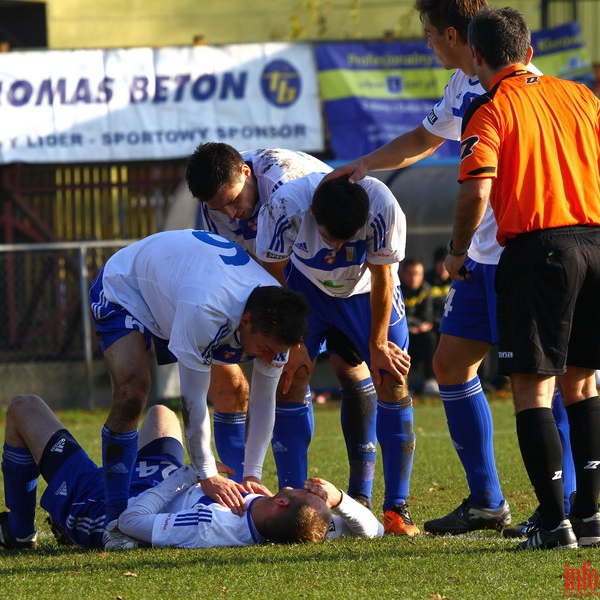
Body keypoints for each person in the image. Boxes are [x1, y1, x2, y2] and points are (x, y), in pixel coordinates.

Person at [323, 0, 577, 538]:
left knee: (540, 379)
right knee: (451, 363)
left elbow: (487, 179)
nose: (428, 44)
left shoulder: (514, 87)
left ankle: (567, 502)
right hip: (481, 258)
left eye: (431, 34)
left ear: (457, 36)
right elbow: (425, 137)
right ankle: (487, 500)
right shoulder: (464, 85)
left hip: (521, 251)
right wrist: (367, 163)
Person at [447, 6, 600, 549]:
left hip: (537, 252)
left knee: (534, 390)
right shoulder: (581, 95)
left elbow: (476, 189)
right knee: (581, 386)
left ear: (478, 57)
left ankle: (554, 523)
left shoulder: (490, 109)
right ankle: (591, 517)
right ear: (530, 52)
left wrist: (457, 250)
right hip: (596, 245)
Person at [89, 229, 308, 525]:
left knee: (234, 388)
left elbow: (265, 399)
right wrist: (206, 474)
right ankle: (114, 517)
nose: (271, 359)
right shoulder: (206, 311)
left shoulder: (275, 315)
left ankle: (235, 489)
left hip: (181, 287)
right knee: (133, 391)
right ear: (245, 322)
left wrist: (252, 473)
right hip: (129, 287)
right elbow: (192, 400)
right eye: (267, 350)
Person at [0, 394, 383, 550]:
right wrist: (340, 499)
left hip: (114, 504)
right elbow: (373, 532)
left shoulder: (212, 525)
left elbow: (131, 522)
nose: (294, 484)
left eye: (299, 491)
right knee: (161, 413)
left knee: (24, 408)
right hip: (161, 483)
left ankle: (19, 532)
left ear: (280, 502)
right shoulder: (299, 522)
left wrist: (191, 474)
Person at [255, 173, 419, 536]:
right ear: (312, 213)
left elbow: (383, 274)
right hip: (303, 292)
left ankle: (396, 508)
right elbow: (271, 273)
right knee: (289, 378)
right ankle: (297, 500)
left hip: (365, 292)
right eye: (331, 237)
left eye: (349, 238)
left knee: (392, 377)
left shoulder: (384, 207)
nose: (337, 246)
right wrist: (293, 342)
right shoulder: (283, 207)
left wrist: (378, 345)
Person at [185, 143, 331, 483]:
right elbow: (230, 266)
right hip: (263, 283)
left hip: (319, 275)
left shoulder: (285, 183)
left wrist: (290, 335)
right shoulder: (217, 207)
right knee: (229, 384)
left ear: (246, 173)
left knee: (297, 376)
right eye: (222, 207)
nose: (232, 213)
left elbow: (301, 262)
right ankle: (243, 492)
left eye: (235, 201)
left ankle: (301, 489)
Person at [399, 257, 438, 394]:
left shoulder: (425, 289)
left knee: (431, 337)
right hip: (401, 332)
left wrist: (418, 326)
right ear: (403, 274)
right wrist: (410, 327)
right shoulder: (395, 289)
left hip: (419, 333)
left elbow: (426, 318)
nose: (414, 278)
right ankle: (401, 385)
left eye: (418, 274)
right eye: (410, 274)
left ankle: (430, 380)